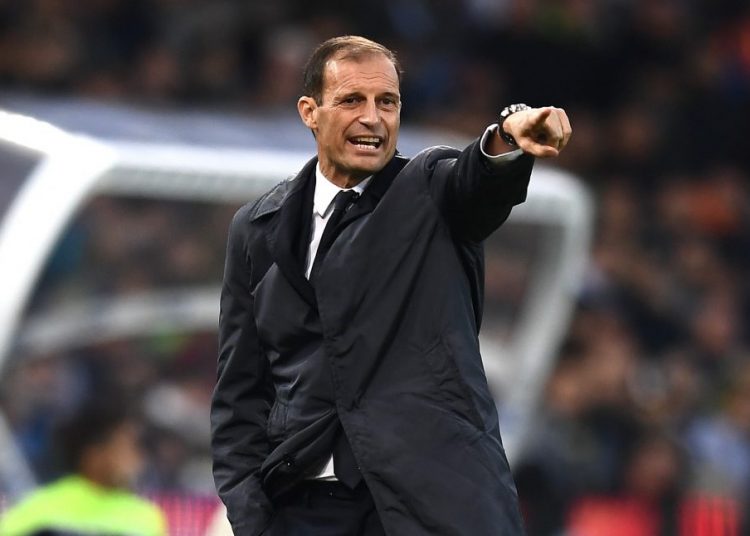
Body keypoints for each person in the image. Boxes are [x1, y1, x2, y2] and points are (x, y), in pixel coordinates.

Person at [211, 35, 571, 536]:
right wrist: (254, 516)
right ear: (310, 112)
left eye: (387, 102)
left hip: (430, 503)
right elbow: (239, 391)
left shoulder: (429, 190)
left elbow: (477, 182)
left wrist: (506, 139)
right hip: (305, 508)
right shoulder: (257, 227)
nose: (373, 118)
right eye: (352, 101)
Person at [0, 399, 167, 536]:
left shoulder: (146, 518)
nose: (136, 458)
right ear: (94, 454)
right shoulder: (42, 510)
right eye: (126, 447)